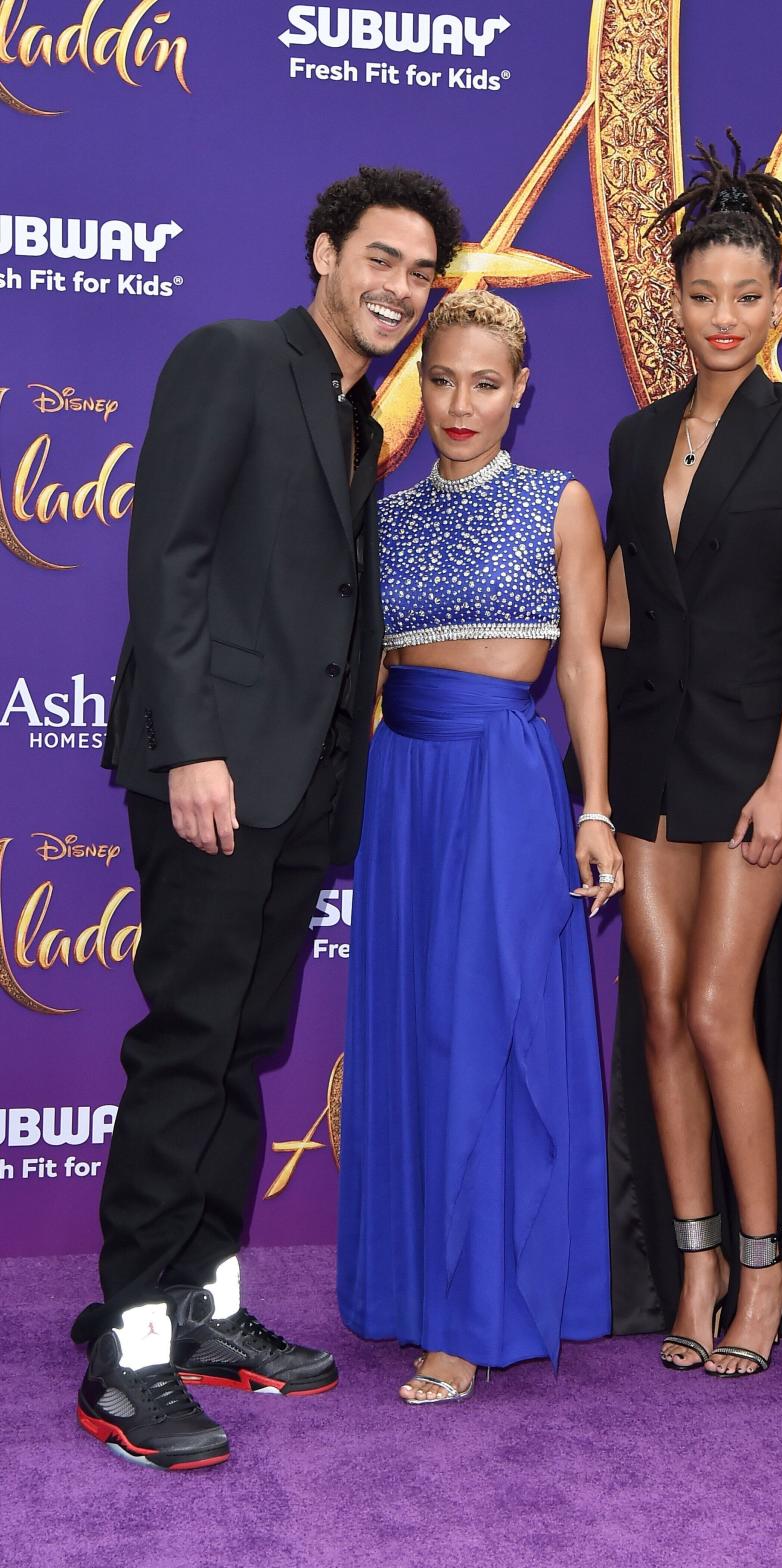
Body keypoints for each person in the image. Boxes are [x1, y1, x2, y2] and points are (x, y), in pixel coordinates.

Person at [75, 167, 463, 1470]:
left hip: (293, 790)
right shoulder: (232, 357)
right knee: (190, 1043)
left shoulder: (356, 414)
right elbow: (167, 553)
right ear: (324, 252)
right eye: (382, 259)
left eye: (421, 272)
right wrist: (192, 748)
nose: (401, 289)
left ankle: (201, 1308)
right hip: (212, 776)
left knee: (240, 1046)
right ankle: (126, 1355)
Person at [598, 134, 782, 1377]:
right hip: (652, 755)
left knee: (719, 1009)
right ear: (677, 295)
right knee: (659, 1010)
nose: (722, 316)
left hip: (751, 760)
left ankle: (765, 1270)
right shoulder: (630, 439)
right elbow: (612, 611)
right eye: (700, 294)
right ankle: (696, 1256)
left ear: (779, 301)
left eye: (745, 295)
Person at [336, 290, 616, 1403]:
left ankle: (472, 1317)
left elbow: (586, 666)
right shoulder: (387, 514)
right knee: (416, 1034)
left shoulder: (559, 502)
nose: (460, 403)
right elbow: (367, 677)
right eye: (442, 379)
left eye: (484, 383)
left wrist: (595, 807)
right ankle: (415, 1290)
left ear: (521, 389)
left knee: (488, 1030)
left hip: (504, 781)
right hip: (404, 785)